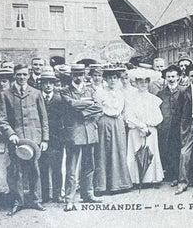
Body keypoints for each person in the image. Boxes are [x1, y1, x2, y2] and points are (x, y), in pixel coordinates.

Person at [0, 64, 49, 215]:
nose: (22, 77)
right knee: (16, 171)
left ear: (29, 75)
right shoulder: (5, 94)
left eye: (24, 74)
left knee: (35, 169)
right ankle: (18, 202)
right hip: (16, 140)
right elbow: (2, 119)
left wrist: (44, 139)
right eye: (19, 74)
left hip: (34, 139)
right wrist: (11, 133)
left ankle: (36, 201)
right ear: (14, 75)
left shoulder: (36, 93)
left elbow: (44, 118)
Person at [61, 64, 103, 211]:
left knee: (89, 165)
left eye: (80, 74)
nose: (78, 77)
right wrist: (87, 104)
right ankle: (69, 198)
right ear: (71, 76)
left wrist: (83, 111)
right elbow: (71, 104)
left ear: (84, 75)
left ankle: (88, 194)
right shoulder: (65, 91)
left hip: (90, 132)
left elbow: (99, 107)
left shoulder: (91, 90)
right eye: (75, 74)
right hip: (74, 133)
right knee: (72, 168)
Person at [93, 65, 132, 194]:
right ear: (105, 79)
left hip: (118, 122)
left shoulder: (121, 93)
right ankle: (102, 186)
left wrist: (122, 118)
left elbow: (125, 109)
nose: (112, 81)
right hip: (104, 122)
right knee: (103, 152)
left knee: (119, 151)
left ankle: (119, 184)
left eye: (115, 78)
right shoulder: (100, 92)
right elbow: (97, 108)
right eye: (110, 78)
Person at [125, 67, 165, 187]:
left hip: (150, 130)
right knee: (135, 152)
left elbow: (159, 117)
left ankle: (151, 179)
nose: (143, 84)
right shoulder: (130, 98)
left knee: (150, 152)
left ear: (149, 83)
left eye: (145, 81)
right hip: (135, 130)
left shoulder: (153, 99)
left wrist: (147, 125)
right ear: (136, 83)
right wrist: (140, 126)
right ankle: (136, 179)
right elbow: (128, 116)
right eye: (140, 81)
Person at [175, 65, 193, 194]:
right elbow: (179, 111)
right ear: (188, 77)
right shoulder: (184, 91)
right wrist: (182, 126)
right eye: (191, 76)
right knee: (184, 153)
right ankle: (183, 182)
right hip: (188, 124)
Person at [38, 67, 65, 203]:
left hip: (56, 139)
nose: (48, 85)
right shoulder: (37, 98)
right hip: (41, 138)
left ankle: (57, 194)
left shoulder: (59, 99)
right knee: (42, 167)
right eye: (45, 82)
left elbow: (63, 119)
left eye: (50, 82)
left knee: (57, 167)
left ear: (54, 84)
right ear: (41, 84)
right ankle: (44, 195)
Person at [157, 65, 182, 185]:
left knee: (177, 149)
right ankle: (169, 174)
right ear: (165, 78)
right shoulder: (161, 93)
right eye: (169, 77)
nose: (171, 79)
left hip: (179, 126)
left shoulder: (183, 91)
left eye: (173, 76)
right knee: (166, 148)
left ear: (178, 77)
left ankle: (177, 175)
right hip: (165, 126)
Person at [0, 68, 13, 206]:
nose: (2, 84)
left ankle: (13, 197)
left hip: (13, 138)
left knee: (12, 169)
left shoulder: (14, 97)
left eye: (5, 81)